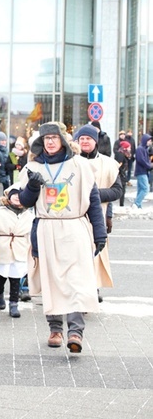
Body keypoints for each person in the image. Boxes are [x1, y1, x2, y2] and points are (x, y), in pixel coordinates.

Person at [19, 122, 107, 353]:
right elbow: (25, 201)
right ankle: (55, 329)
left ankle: (76, 331)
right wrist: (32, 186)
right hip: (47, 229)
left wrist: (100, 233)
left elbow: (93, 200)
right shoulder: (32, 166)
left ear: (63, 140)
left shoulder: (79, 165)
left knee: (76, 280)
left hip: (74, 228)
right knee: (52, 280)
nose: (49, 141)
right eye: (46, 138)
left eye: (54, 137)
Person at [77, 124, 122, 301]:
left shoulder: (108, 164)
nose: (85, 142)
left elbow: (117, 191)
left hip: (98, 217)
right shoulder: (70, 161)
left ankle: (92, 289)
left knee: (95, 254)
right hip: (75, 218)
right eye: (81, 139)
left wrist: (95, 196)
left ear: (95, 141)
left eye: (88, 138)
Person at [0, 183, 33, 318]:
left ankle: (14, 304)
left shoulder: (28, 214)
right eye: (14, 195)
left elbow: (32, 233)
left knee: (16, 278)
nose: (17, 198)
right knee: (0, 277)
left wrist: (35, 248)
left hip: (20, 247)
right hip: (2, 247)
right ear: (8, 196)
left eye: (20, 195)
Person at [133, 133, 153, 209]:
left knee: (141, 189)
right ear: (145, 140)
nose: (150, 142)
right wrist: (149, 165)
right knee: (145, 189)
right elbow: (141, 160)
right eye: (149, 140)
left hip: (142, 171)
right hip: (141, 171)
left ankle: (138, 205)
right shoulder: (140, 149)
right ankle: (137, 203)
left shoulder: (144, 149)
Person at [114, 141, 131, 206]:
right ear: (125, 148)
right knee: (122, 190)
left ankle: (122, 204)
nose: (130, 149)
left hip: (122, 174)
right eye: (129, 147)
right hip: (120, 175)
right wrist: (123, 174)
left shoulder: (124, 154)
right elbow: (119, 165)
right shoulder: (120, 155)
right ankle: (121, 205)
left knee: (123, 190)